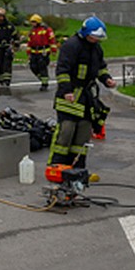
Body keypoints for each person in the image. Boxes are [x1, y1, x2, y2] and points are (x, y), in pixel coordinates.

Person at [49, 16, 116, 168]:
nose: (97, 40)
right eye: (95, 36)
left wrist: (107, 79)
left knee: (83, 134)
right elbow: (62, 70)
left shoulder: (96, 48)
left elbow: (100, 68)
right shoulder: (72, 45)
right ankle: (57, 166)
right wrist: (67, 91)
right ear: (86, 33)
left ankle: (77, 167)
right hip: (70, 96)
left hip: (87, 98)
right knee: (66, 132)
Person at [25, 14, 57, 91]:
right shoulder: (32, 31)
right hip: (34, 52)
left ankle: (44, 84)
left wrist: (53, 50)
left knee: (42, 67)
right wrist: (28, 52)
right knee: (33, 66)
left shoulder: (46, 30)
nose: (32, 24)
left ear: (38, 22)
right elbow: (29, 42)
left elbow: (52, 40)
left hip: (43, 52)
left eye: (34, 22)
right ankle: (42, 78)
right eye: (32, 22)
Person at [0, 9, 17, 88]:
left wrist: (16, 43)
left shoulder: (9, 26)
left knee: (7, 64)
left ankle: (7, 80)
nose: (0, 18)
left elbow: (15, 34)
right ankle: (1, 79)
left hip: (7, 47)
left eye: (2, 16)